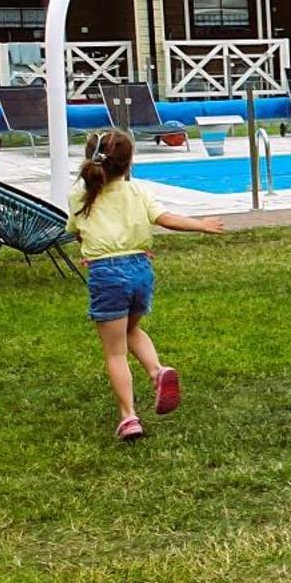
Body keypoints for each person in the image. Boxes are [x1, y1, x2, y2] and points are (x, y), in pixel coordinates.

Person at [67, 130, 225, 441]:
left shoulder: (80, 196)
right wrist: (201, 226)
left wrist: (93, 252)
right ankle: (156, 371)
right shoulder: (138, 191)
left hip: (106, 274)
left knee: (115, 351)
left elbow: (77, 231)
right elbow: (166, 219)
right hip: (141, 269)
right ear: (128, 164)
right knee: (131, 329)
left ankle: (128, 417)